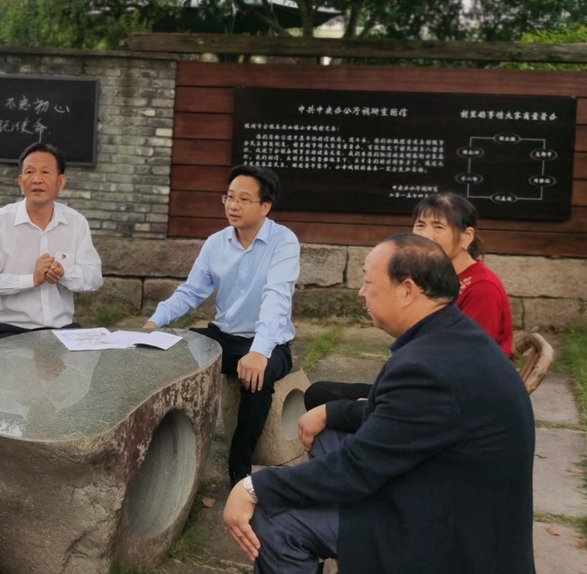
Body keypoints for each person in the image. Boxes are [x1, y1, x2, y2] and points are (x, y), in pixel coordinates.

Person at [222, 234, 535, 574]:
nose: (361, 292)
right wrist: (331, 411)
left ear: (407, 290)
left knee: (275, 523)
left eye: (368, 281)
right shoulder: (450, 337)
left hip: (450, 537)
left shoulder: (429, 366)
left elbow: (357, 468)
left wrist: (254, 486)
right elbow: (390, 419)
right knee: (330, 436)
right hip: (444, 491)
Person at [143, 165, 299, 486]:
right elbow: (191, 292)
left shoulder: (283, 242)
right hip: (222, 336)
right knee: (159, 350)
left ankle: (239, 473)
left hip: (269, 343)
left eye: (243, 199)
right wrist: (154, 322)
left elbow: (276, 298)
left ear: (265, 206)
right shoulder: (217, 242)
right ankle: (161, 449)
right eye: (228, 197)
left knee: (258, 382)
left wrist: (258, 352)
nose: (233, 205)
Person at [304, 191, 514, 408]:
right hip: (425, 379)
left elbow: (472, 363)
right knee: (320, 393)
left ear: (466, 236)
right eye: (420, 224)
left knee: (324, 400)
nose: (425, 234)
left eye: (438, 227)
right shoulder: (439, 277)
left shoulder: (482, 288)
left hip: (450, 397)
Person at [0, 143, 103, 342]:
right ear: (21, 181)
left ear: (61, 182)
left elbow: (94, 278)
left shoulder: (76, 223)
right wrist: (31, 280)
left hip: (62, 331)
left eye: (45, 172)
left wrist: (64, 273)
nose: (37, 179)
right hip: (11, 331)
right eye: (29, 172)